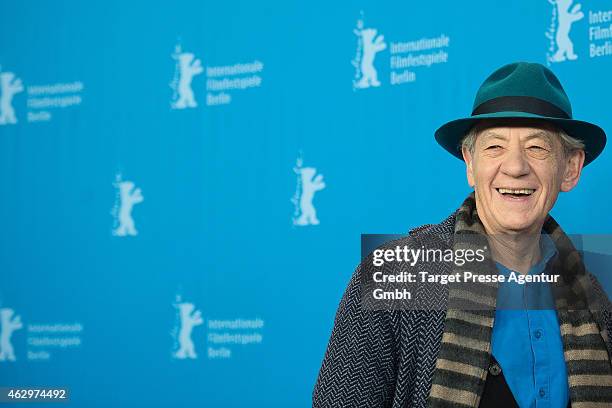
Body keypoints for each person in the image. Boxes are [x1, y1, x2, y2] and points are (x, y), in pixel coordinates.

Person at [312, 62, 612, 408]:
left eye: (537, 148)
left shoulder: (597, 293)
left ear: (570, 167)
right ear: (470, 164)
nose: (515, 167)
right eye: (494, 147)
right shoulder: (392, 276)